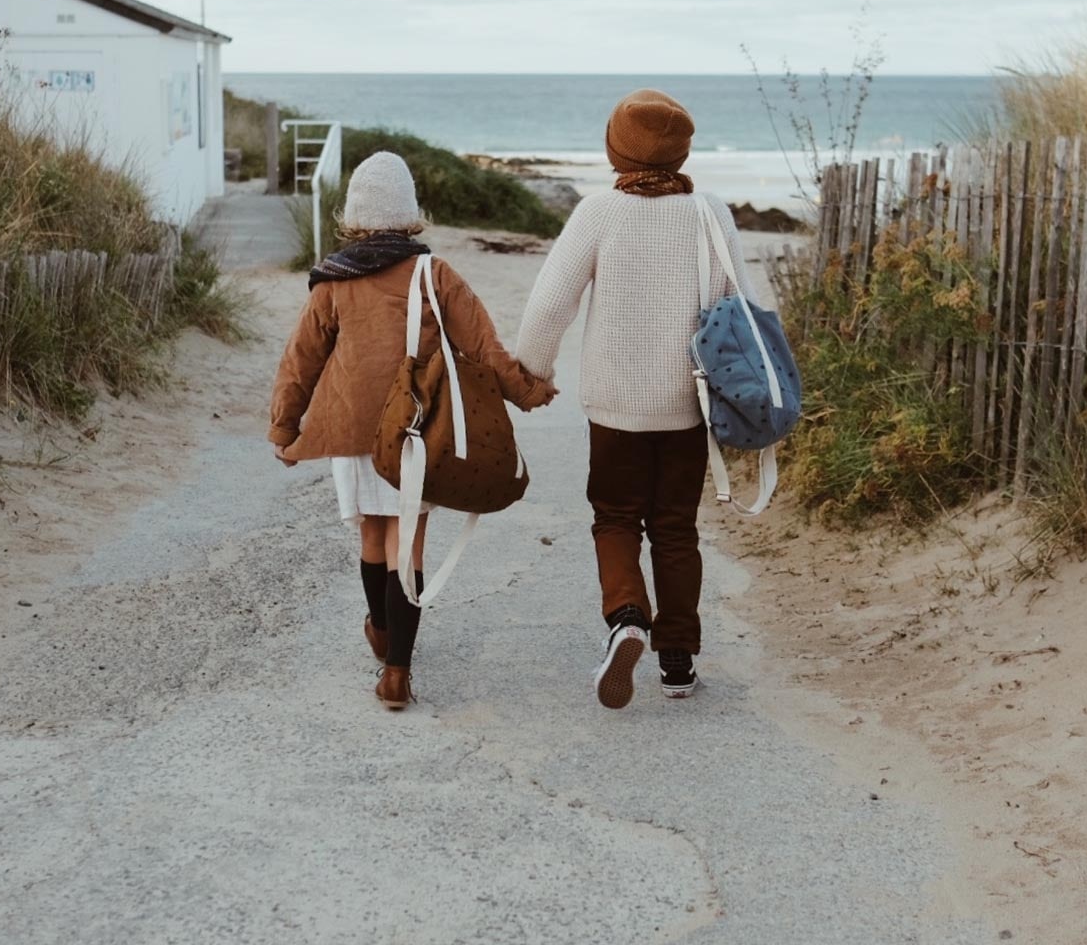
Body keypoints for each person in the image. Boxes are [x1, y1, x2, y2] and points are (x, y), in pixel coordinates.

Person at [268, 151, 554, 710]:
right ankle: (397, 672)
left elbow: (299, 360)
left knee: (372, 537)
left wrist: (284, 427)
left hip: (354, 433)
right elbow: (484, 347)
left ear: (353, 216)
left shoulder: (333, 281)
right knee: (409, 545)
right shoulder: (434, 273)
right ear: (410, 213)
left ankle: (379, 628)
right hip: (416, 433)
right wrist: (527, 391)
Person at [515, 89, 760, 708]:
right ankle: (677, 663)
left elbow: (550, 305)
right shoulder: (711, 213)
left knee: (617, 516)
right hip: (690, 402)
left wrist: (532, 374)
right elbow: (742, 305)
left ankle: (626, 618)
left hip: (615, 405)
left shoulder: (599, 212)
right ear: (681, 152)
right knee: (676, 529)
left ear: (615, 149)